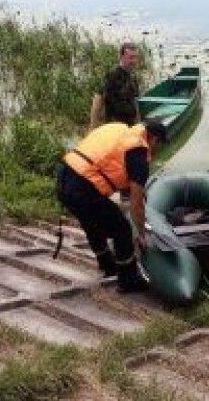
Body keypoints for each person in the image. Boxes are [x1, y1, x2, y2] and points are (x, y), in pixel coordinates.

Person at [56, 119, 166, 292]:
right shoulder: (139, 152)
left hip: (63, 175)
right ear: (154, 139)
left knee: (90, 219)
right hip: (82, 186)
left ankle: (107, 264)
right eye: (159, 145)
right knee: (121, 228)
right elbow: (136, 206)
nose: (157, 150)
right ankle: (128, 280)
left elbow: (108, 164)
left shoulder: (118, 129)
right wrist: (142, 234)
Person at [90, 42, 141, 129]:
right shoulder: (113, 76)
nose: (134, 61)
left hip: (129, 126)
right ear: (121, 57)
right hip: (114, 127)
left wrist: (138, 123)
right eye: (131, 58)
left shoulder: (133, 78)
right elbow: (98, 99)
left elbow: (135, 103)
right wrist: (93, 126)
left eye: (136, 57)